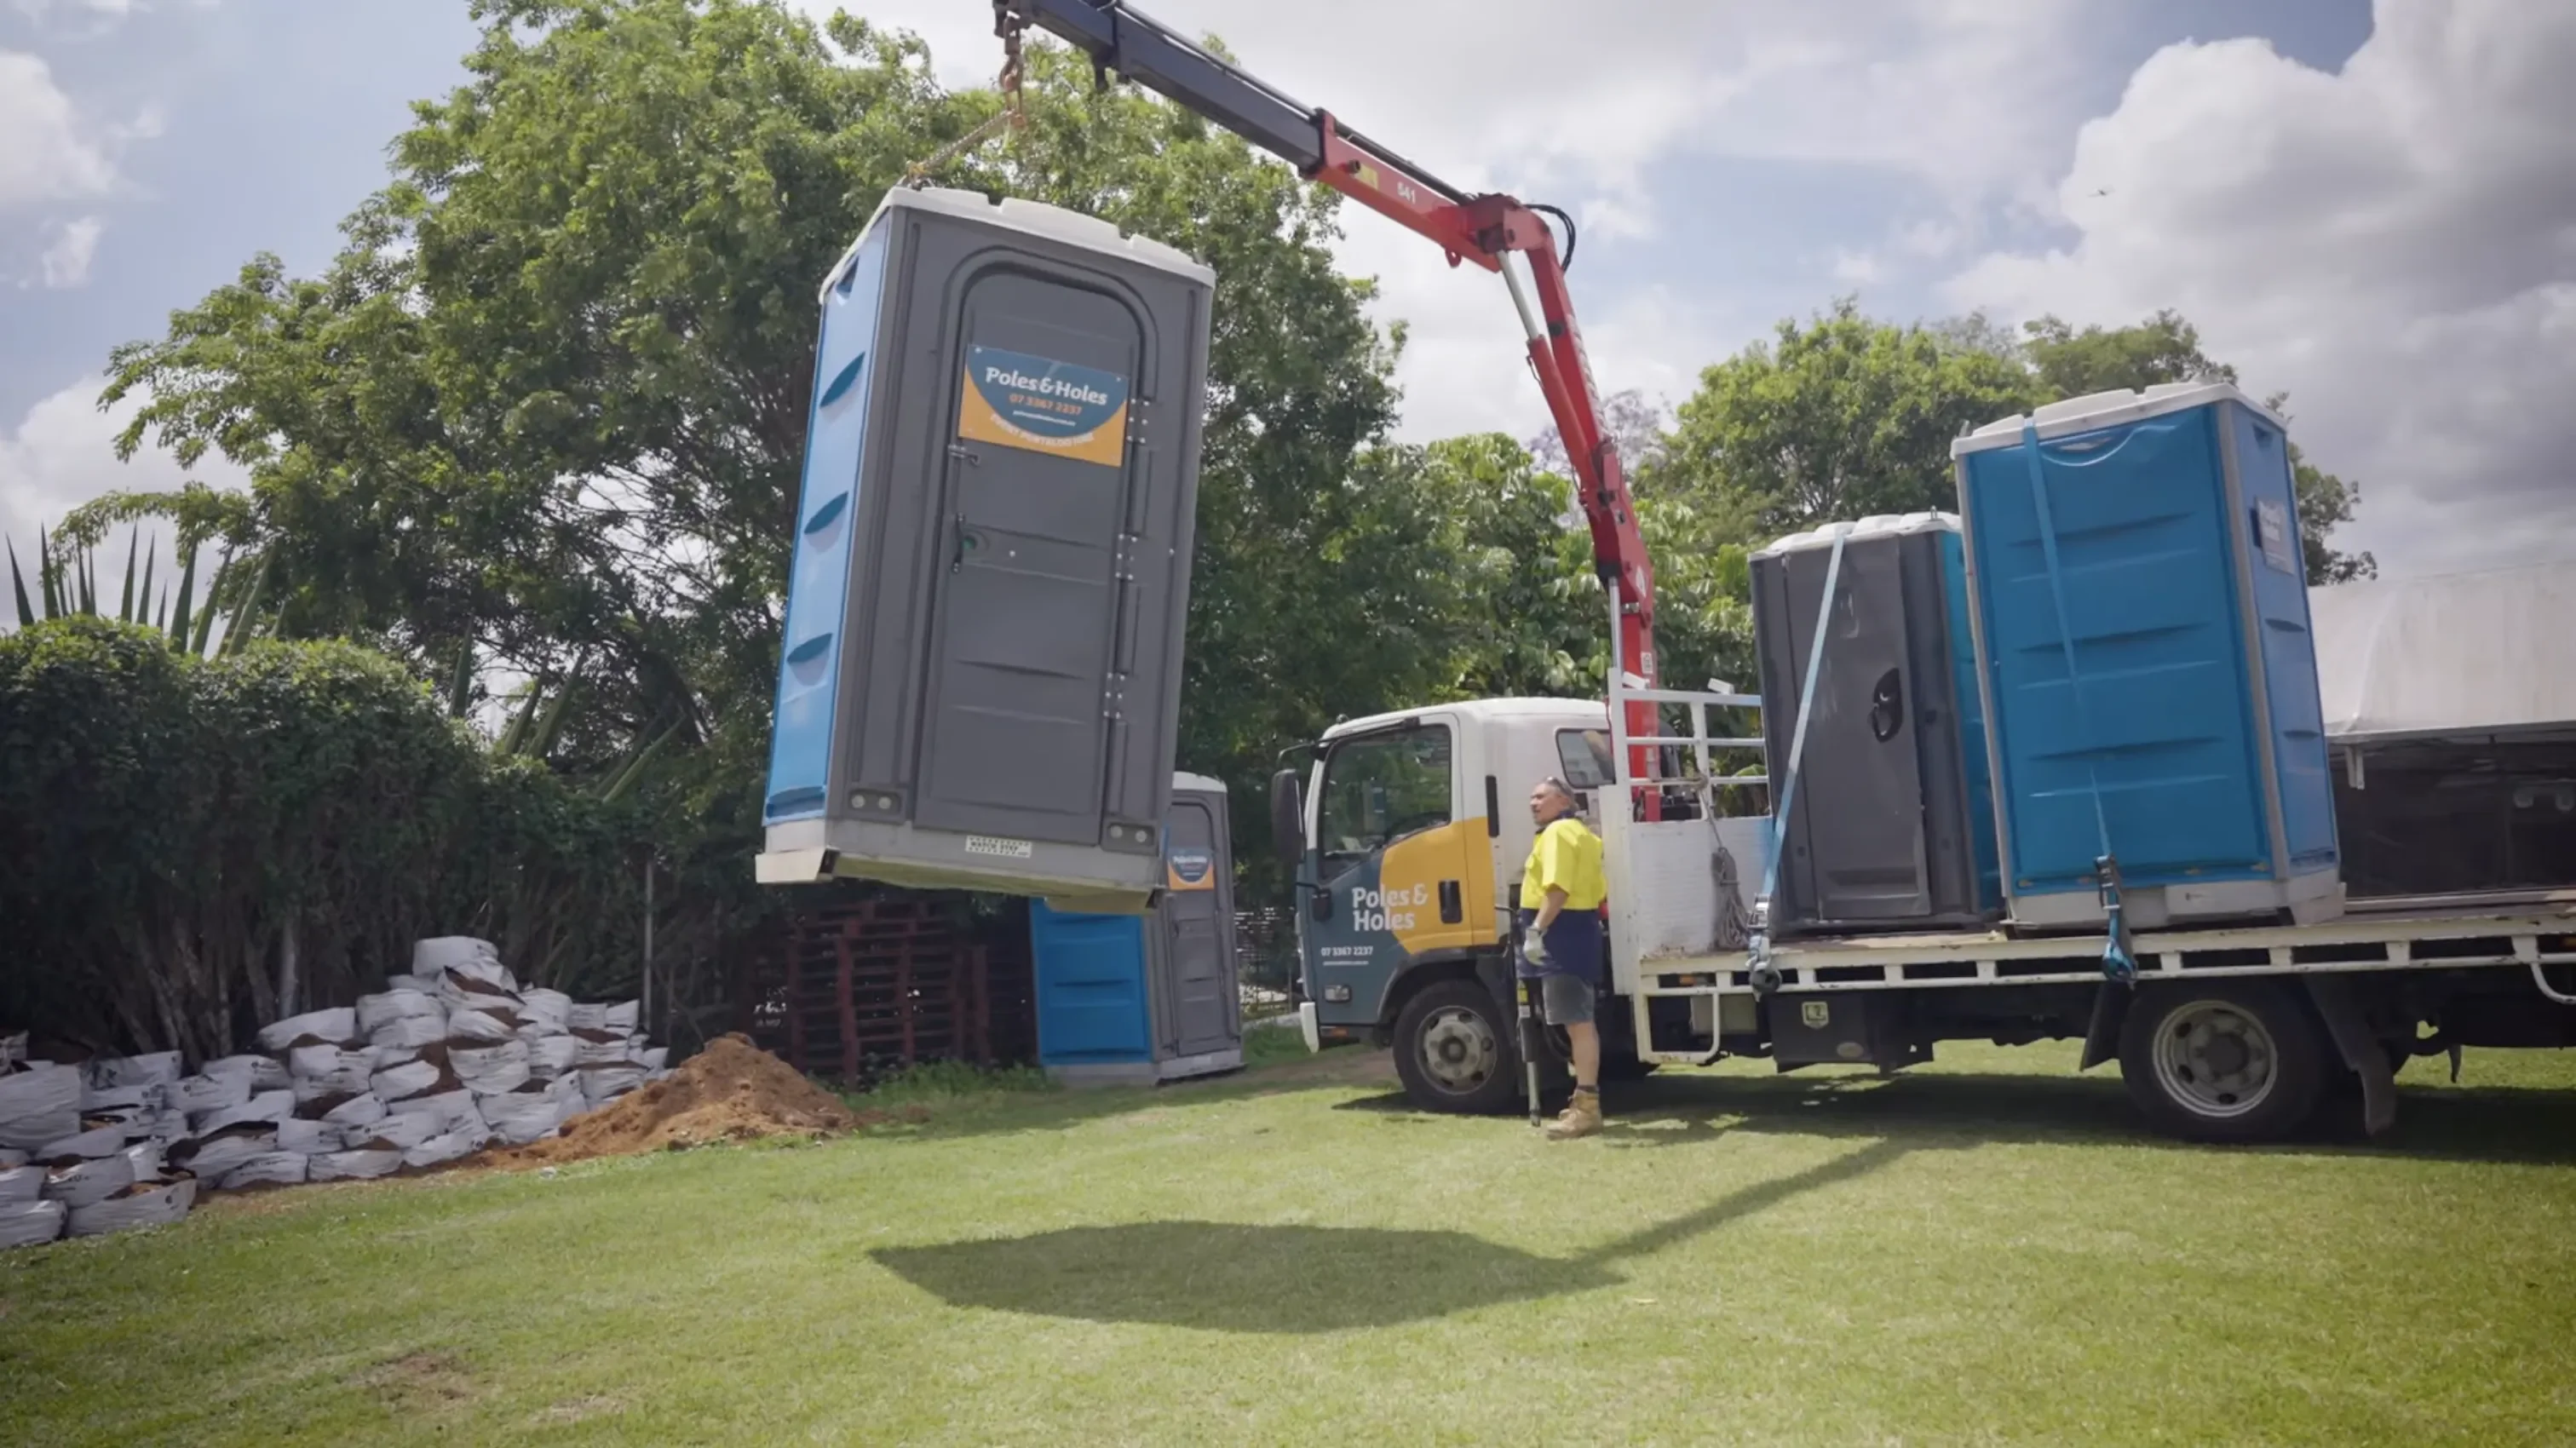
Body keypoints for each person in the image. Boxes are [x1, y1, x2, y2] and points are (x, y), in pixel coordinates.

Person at [1518, 774, 1607, 1140]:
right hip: (1576, 931)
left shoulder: (1557, 834)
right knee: (1577, 1021)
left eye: (1541, 797)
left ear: (1563, 801)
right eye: (1532, 798)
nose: (1533, 803)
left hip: (1562, 934)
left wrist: (1537, 929)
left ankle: (1587, 1108)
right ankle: (1583, 1103)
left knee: (1577, 1023)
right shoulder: (1581, 834)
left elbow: (1557, 888)